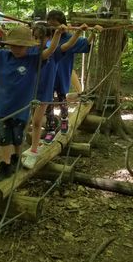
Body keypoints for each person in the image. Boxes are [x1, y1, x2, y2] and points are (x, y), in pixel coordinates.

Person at [0, 23, 64, 182]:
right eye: (14, 45)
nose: (17, 49)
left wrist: (56, 35)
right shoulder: (1, 56)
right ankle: (5, 164)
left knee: (18, 137)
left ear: (27, 47)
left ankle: (16, 157)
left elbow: (49, 52)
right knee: (4, 136)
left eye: (21, 46)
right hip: (4, 108)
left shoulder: (32, 60)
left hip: (21, 109)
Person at [22, 22, 89, 170]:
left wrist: (77, 32)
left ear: (48, 37)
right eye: (35, 37)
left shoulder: (55, 52)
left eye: (41, 38)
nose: (38, 40)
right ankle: (26, 148)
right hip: (29, 92)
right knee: (28, 121)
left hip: (44, 93)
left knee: (37, 122)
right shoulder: (30, 50)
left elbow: (69, 45)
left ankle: (34, 151)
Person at [45, 9, 103, 141]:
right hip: (48, 76)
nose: (53, 28)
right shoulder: (47, 37)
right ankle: (50, 129)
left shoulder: (69, 38)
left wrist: (93, 33)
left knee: (62, 99)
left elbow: (85, 43)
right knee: (48, 102)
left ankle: (64, 119)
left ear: (63, 24)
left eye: (55, 24)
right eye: (50, 24)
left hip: (62, 74)